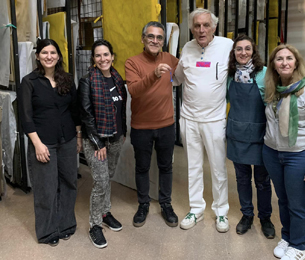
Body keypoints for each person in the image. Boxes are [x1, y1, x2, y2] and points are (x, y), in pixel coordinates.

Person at [263, 44, 305, 260]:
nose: (284, 62)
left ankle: (299, 246)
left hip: (298, 155)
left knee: (297, 203)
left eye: (289, 58)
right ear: (274, 65)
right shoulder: (272, 90)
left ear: (296, 62)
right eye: (279, 59)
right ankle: (287, 237)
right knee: (282, 200)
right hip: (272, 153)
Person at [173, 8, 234, 233]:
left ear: (214, 27)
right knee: (194, 167)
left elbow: (246, 64)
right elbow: (177, 79)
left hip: (215, 120)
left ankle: (221, 212)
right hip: (189, 118)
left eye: (206, 25)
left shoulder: (227, 46)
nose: (201, 30)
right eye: (197, 25)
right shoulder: (187, 49)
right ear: (191, 28)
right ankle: (196, 209)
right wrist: (162, 74)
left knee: (218, 168)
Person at [18, 39, 81, 246]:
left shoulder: (67, 80)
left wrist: (78, 138)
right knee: (46, 187)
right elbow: (25, 117)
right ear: (37, 56)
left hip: (68, 140)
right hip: (43, 142)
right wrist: (37, 144)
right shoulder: (29, 82)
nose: (49, 56)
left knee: (69, 182)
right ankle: (47, 231)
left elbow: (75, 110)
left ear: (59, 56)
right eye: (44, 52)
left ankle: (66, 224)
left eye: (53, 52)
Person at [125, 21, 179, 228]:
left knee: (166, 167)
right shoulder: (132, 62)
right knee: (142, 168)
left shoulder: (170, 59)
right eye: (151, 36)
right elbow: (134, 91)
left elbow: (185, 71)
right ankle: (143, 204)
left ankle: (166, 204)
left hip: (166, 125)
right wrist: (154, 74)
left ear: (163, 41)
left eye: (159, 38)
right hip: (141, 127)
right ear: (143, 39)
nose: (155, 41)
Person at [78, 39, 127, 249]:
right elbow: (86, 115)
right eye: (98, 55)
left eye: (106, 54)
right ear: (93, 59)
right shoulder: (88, 80)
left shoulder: (117, 78)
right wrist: (98, 143)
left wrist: (122, 133)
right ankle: (94, 225)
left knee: (108, 178)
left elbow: (121, 109)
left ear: (112, 56)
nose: (102, 59)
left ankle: (105, 213)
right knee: (100, 182)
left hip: (116, 137)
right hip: (96, 140)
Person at [226, 34, 275, 238]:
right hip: (237, 134)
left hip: (261, 134)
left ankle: (265, 218)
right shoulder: (229, 75)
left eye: (247, 48)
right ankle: (247, 215)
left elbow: (272, 102)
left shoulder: (265, 74)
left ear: (253, 51)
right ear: (234, 53)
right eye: (239, 49)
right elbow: (227, 99)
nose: (243, 52)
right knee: (242, 178)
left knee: (262, 180)